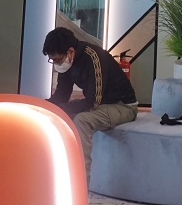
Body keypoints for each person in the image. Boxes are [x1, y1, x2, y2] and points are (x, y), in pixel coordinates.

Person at [43, 27, 138, 179]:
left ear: (70, 52)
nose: (55, 64)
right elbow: (62, 95)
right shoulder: (66, 63)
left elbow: (92, 102)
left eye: (57, 60)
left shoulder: (94, 57)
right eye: (52, 60)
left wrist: (62, 108)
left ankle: (81, 180)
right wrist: (44, 107)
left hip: (123, 106)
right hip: (101, 104)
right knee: (57, 114)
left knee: (82, 120)